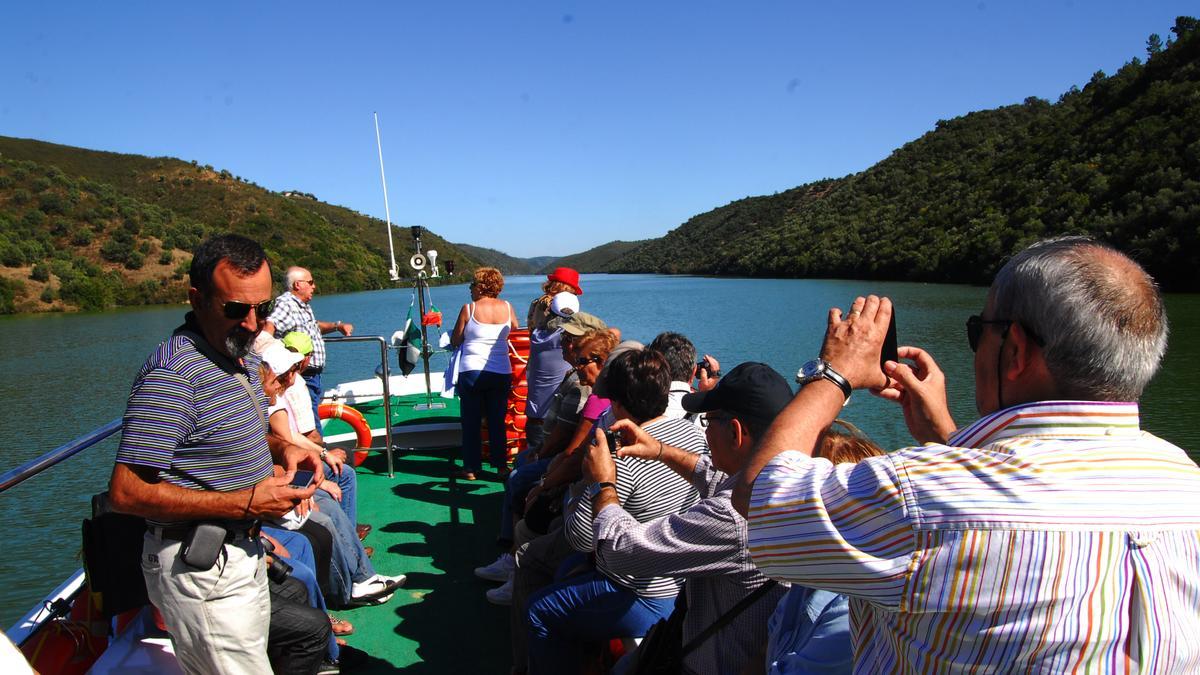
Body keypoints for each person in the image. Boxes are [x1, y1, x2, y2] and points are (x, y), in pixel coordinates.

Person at [735, 236, 1200, 671]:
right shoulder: (1186, 481)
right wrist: (947, 434)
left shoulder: (918, 497)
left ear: (1014, 350)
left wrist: (833, 374)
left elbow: (758, 495)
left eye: (979, 330)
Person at [108, 233, 321, 674]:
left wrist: (285, 449)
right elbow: (126, 493)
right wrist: (244, 502)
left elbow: (243, 432)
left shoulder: (235, 358)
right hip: (202, 570)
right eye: (235, 309)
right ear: (196, 298)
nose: (251, 323)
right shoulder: (173, 374)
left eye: (261, 309)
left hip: (241, 553)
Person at [585, 362, 793, 675]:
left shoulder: (732, 516)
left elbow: (619, 550)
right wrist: (658, 450)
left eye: (709, 422)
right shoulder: (787, 484)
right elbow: (713, 476)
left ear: (736, 432)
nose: (705, 431)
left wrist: (603, 484)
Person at [527, 348, 709, 673]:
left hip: (644, 593)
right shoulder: (694, 435)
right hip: (681, 581)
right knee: (566, 568)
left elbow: (580, 536)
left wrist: (581, 484)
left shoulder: (620, 453)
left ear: (618, 404)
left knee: (538, 610)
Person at [264, 266, 354, 430]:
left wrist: (337, 326)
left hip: (312, 376)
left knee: (311, 420)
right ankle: (319, 453)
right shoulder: (287, 304)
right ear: (298, 284)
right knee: (309, 426)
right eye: (310, 282)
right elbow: (271, 324)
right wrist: (266, 357)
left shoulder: (302, 306)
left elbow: (313, 327)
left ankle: (317, 451)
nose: (314, 286)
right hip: (301, 375)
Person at [450, 266, 519, 480]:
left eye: (472, 285)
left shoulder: (469, 309)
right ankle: (500, 466)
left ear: (480, 286)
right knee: (497, 420)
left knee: (471, 421)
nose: (470, 289)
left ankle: (471, 468)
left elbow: (456, 340)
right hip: (500, 371)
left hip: (472, 371)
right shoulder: (507, 307)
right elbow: (515, 329)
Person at [524, 291, 579, 452]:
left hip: (535, 418)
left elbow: (538, 322)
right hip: (557, 422)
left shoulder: (537, 336)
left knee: (532, 463)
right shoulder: (566, 338)